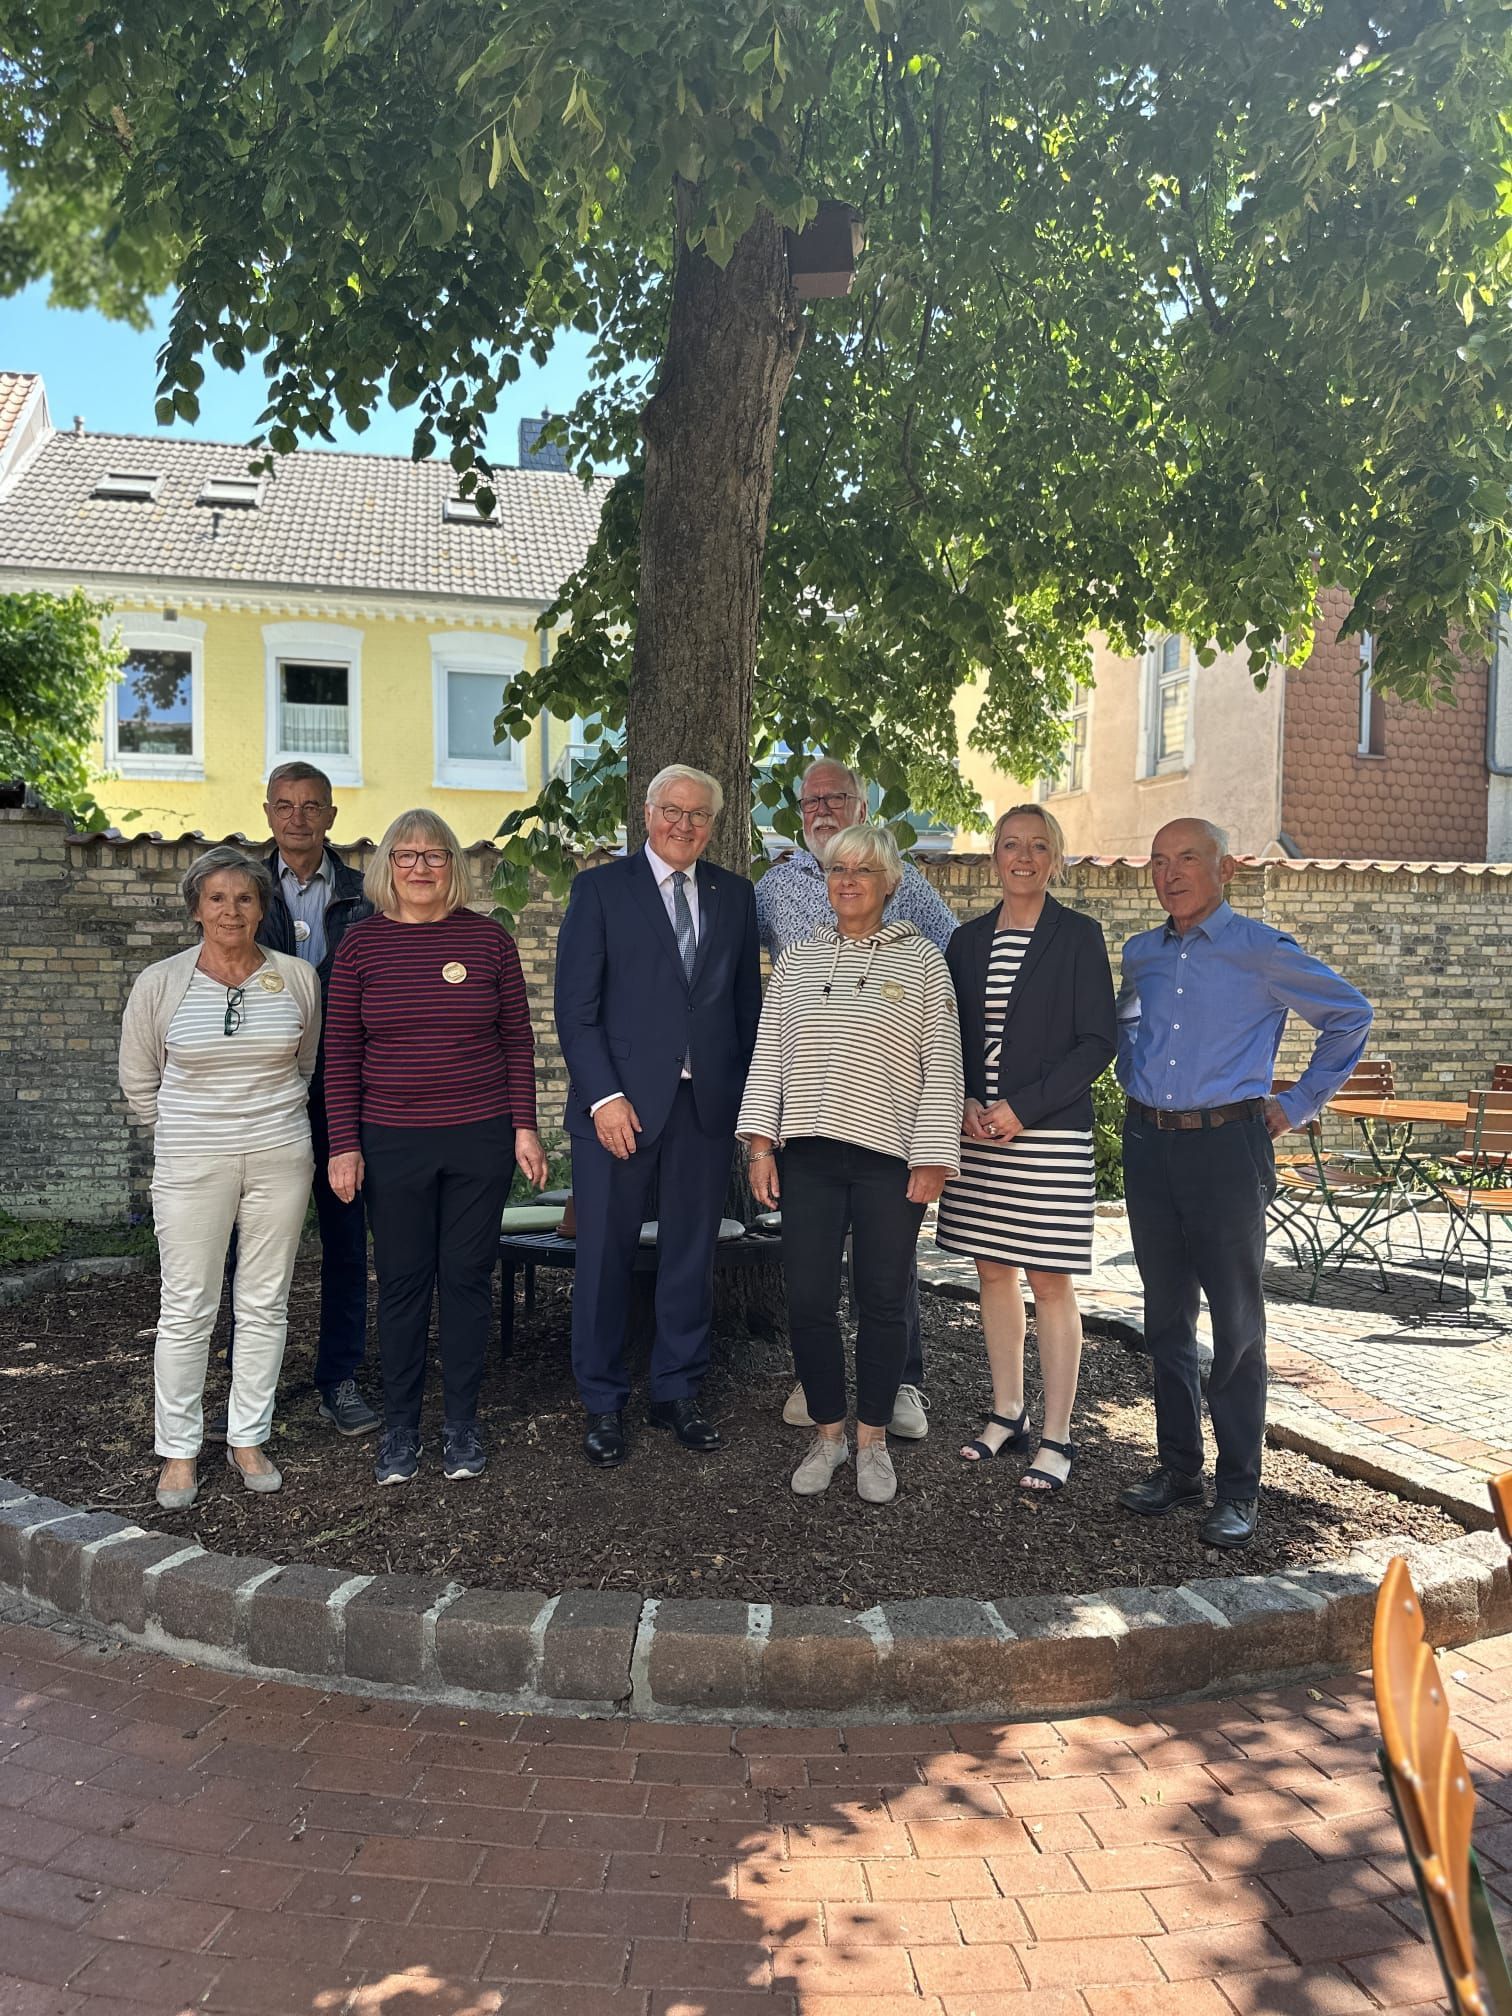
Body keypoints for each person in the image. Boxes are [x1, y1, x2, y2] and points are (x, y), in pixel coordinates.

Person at [1115, 817, 1373, 1549]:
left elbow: (1350, 1016)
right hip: (1149, 1145)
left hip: (1228, 1147)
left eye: (1187, 859)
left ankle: (1237, 1489)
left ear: (1224, 868)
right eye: (1158, 861)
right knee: (1164, 1317)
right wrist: (1131, 1074)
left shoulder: (1260, 949)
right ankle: (1177, 1469)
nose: (1170, 874)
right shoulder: (1142, 954)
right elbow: (1126, 1024)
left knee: (1235, 1323)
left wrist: (1298, 1103)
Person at [740, 824, 964, 1505]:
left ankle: (873, 1441)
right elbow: (769, 1055)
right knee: (809, 1299)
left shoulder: (923, 962)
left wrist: (933, 1157)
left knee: (883, 1300)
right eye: (838, 869)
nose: (848, 880)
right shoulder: (799, 962)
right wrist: (759, 1146)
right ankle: (829, 1435)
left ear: (891, 883)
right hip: (807, 1158)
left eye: (863, 870)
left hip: (888, 1162)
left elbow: (942, 1065)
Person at [323, 810, 547, 1486]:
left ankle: (461, 1424)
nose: (420, 867)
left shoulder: (488, 940)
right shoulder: (359, 946)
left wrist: (525, 1126)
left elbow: (516, 1039)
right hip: (391, 1142)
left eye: (435, 855)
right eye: (407, 855)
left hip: (479, 1137)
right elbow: (341, 1053)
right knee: (402, 1282)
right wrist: (343, 1145)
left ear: (453, 865)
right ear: (387, 866)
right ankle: (400, 1429)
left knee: (466, 1278)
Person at [554, 763, 761, 1468]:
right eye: (672, 810)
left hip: (704, 1107)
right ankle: (603, 1402)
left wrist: (747, 1105)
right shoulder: (600, 890)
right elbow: (575, 1011)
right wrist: (603, 1098)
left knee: (690, 1255)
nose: (684, 824)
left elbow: (744, 1008)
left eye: (699, 814)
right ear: (647, 813)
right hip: (617, 1110)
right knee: (603, 1257)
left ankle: (677, 1391)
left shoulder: (734, 895)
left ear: (713, 825)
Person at [118, 847, 320, 1510]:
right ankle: (178, 1451)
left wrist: (266, 1126)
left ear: (262, 908)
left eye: (244, 898)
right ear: (196, 908)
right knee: (187, 1307)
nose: (231, 910)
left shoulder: (296, 978)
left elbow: (304, 1065)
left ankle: (248, 1438)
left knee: (265, 1301)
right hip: (192, 1161)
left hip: (279, 1156)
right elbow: (139, 1080)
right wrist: (187, 1133)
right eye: (217, 898)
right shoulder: (161, 983)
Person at [936, 805, 1116, 1492]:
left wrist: (1024, 1108)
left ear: (1055, 860)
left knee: (1049, 1280)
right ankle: (1007, 1412)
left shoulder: (1078, 936)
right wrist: (965, 1101)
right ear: (994, 857)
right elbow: (949, 1035)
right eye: (1011, 844)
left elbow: (1097, 1042)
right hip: (979, 1135)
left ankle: (1059, 1434)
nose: (1023, 856)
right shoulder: (965, 941)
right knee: (992, 1272)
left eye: (1038, 846)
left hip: (1049, 1136)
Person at [250, 761, 378, 1436]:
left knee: (344, 1238)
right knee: (253, 1243)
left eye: (310, 806)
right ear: (268, 812)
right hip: (264, 1088)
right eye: (284, 805)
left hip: (342, 1086)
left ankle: (339, 1377)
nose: (297, 817)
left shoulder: (365, 893)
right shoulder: (241, 887)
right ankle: (251, 1384)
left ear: (331, 815)